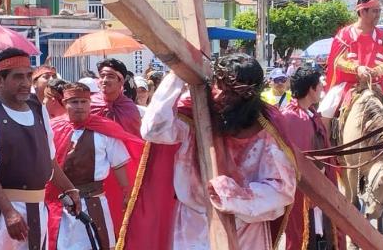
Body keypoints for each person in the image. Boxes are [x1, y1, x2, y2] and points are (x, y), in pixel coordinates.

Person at [123, 53, 297, 249]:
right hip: (192, 226)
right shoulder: (194, 110)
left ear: (248, 96)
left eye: (231, 93)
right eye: (218, 86)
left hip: (246, 229)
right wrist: (178, 74)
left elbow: (282, 190)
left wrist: (236, 195)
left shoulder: (265, 128)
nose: (219, 96)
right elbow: (153, 130)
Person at [0, 48, 80, 250]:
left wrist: (69, 188)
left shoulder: (37, 108)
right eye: (17, 77)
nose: (25, 83)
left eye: (28, 76)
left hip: (35, 211)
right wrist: (9, 212)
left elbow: (48, 159)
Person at [48, 83, 140, 250]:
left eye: (84, 102)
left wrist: (127, 193)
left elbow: (119, 164)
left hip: (94, 201)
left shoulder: (104, 130)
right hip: (61, 204)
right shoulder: (53, 128)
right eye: (74, 102)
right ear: (64, 103)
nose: (80, 106)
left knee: (99, 245)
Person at [275, 66, 343, 250]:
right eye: (319, 85)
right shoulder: (292, 116)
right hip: (306, 191)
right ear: (311, 89)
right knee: (306, 235)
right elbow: (299, 161)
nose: (322, 88)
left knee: (322, 234)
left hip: (321, 185)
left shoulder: (311, 113)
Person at [91, 59, 141, 137]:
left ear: (121, 81)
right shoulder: (90, 103)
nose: (104, 80)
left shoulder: (129, 108)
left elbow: (135, 139)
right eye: (102, 76)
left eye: (110, 76)